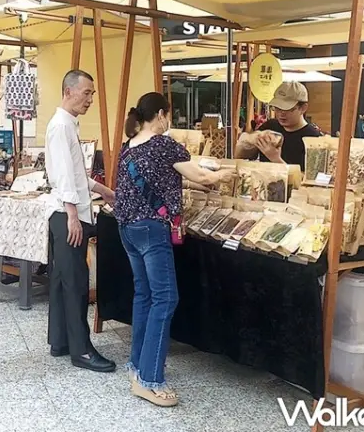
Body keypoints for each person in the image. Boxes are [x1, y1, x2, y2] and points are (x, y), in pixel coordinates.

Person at [115, 92, 234, 407]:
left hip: (127, 229)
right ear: (161, 115)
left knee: (145, 295)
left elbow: (164, 180)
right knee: (165, 298)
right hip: (152, 230)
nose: (169, 121)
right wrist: (225, 173)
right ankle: (150, 380)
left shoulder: (128, 148)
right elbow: (200, 176)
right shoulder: (163, 143)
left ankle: (137, 365)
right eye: (168, 115)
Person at [45, 70, 117, 373]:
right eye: (86, 93)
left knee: (63, 281)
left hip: (65, 211)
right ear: (68, 91)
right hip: (67, 214)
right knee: (74, 284)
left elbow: (75, 173)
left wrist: (102, 190)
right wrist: (73, 215)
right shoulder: (61, 125)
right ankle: (82, 351)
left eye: (92, 94)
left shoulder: (65, 124)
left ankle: (61, 341)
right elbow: (63, 176)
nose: (89, 99)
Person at [235, 81, 321, 171]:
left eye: (287, 109)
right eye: (277, 108)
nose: (281, 113)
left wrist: (276, 159)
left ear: (303, 108)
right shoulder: (269, 126)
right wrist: (251, 139)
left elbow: (306, 179)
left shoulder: (313, 139)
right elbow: (240, 157)